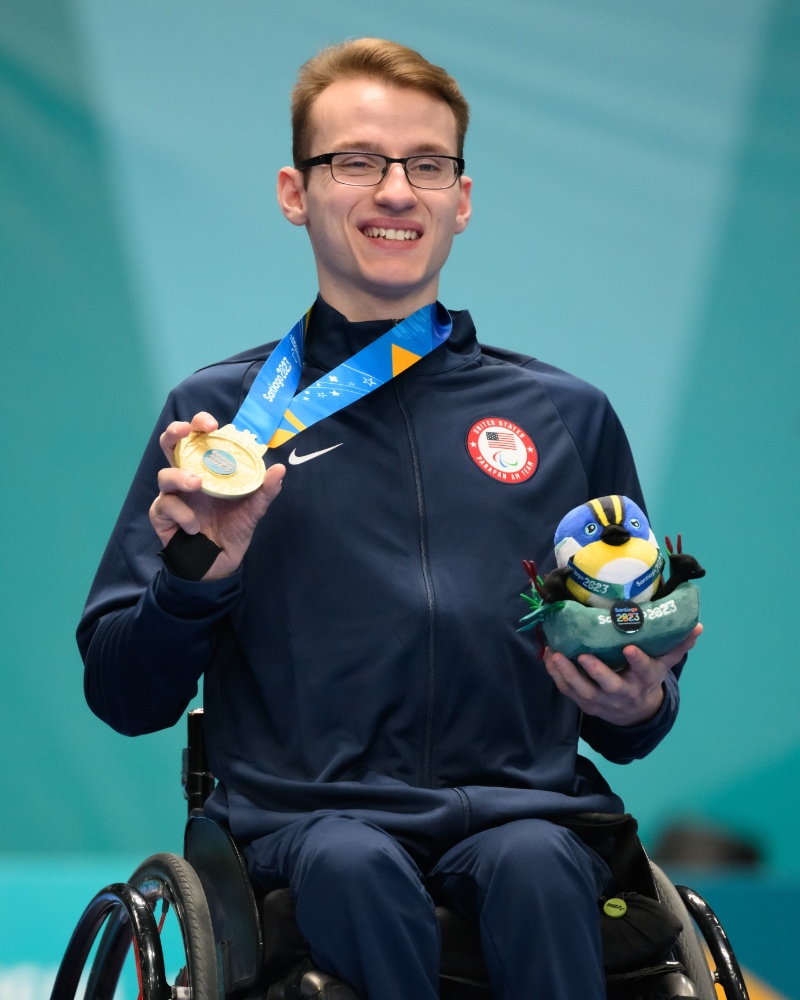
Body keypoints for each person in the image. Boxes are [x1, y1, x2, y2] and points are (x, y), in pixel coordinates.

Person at [78, 38, 701, 1000]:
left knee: (538, 866)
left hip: (526, 813)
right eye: (357, 161)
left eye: (427, 164)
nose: (396, 191)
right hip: (308, 821)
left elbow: (628, 717)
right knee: (350, 862)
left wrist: (641, 701)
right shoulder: (220, 424)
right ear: (297, 192)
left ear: (462, 197)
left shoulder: (567, 417)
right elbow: (124, 693)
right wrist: (200, 573)